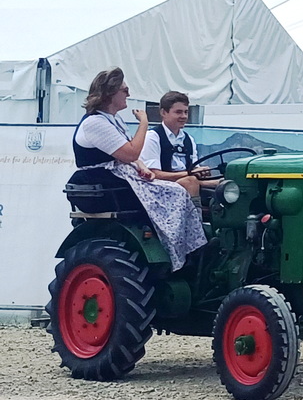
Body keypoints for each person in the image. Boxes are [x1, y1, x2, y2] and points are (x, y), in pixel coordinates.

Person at [71, 68, 207, 271]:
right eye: (125, 90)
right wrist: (144, 122)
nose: (128, 94)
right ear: (110, 93)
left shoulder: (112, 120)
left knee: (182, 190)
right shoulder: (94, 123)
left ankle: (190, 243)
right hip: (104, 180)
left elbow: (130, 155)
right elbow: (131, 152)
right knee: (177, 192)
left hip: (120, 175)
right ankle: (183, 250)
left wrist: (142, 168)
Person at [139, 91, 214, 198]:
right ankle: (196, 209)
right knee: (190, 181)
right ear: (163, 112)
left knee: (224, 183)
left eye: (186, 112)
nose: (184, 116)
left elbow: (194, 171)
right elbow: (154, 174)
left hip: (187, 184)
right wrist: (189, 174)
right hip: (159, 190)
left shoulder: (189, 139)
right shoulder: (152, 137)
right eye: (178, 112)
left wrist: (202, 172)